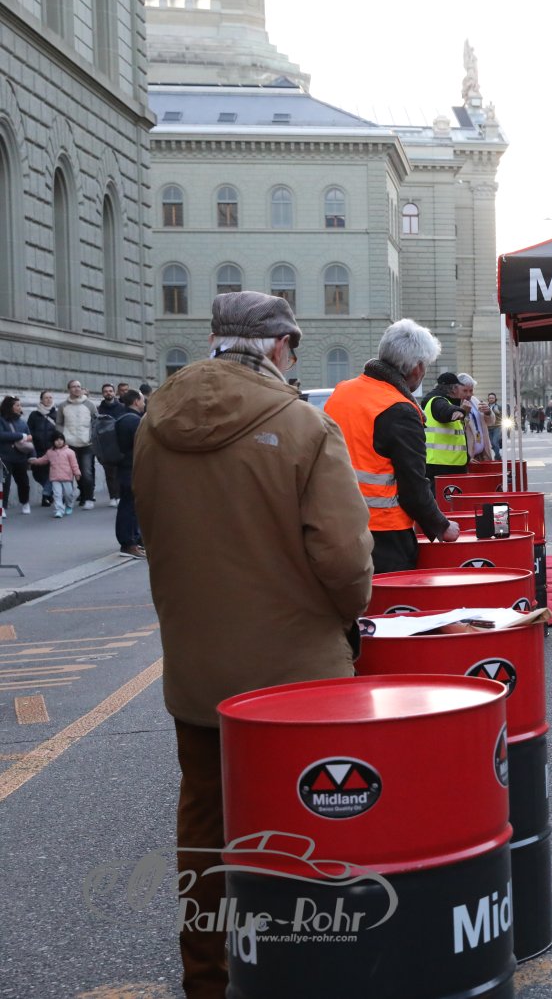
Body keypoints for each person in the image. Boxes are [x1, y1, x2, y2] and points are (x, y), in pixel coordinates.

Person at [135, 290, 373, 999]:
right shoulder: (304, 426)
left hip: (197, 669)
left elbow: (153, 530)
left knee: (205, 823)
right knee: (309, 824)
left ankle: (208, 977)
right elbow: (344, 560)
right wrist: (348, 616)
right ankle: (303, 970)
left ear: (214, 339)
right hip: (297, 675)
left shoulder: (153, 422)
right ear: (279, 346)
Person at [324, 319, 460, 575]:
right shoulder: (400, 410)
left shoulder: (342, 392)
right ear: (417, 368)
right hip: (384, 535)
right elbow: (413, 484)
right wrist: (441, 526)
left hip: (336, 524)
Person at [113, 390, 146, 556]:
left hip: (126, 468)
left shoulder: (123, 418)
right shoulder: (133, 421)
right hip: (131, 469)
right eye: (142, 400)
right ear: (136, 402)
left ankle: (134, 540)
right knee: (129, 507)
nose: (144, 403)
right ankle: (128, 543)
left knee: (130, 505)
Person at [423, 372, 471, 479]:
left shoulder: (443, 401)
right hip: (442, 466)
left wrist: (467, 457)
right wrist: (458, 411)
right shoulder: (437, 401)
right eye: (460, 388)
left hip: (448, 464)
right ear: (454, 389)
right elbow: (444, 410)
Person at [59, 379, 98, 509]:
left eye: (78, 386)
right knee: (71, 473)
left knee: (86, 472)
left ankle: (89, 498)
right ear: (69, 389)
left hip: (87, 444)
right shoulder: (63, 406)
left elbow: (96, 422)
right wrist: (62, 438)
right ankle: (72, 498)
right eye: (73, 387)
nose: (76, 389)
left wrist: (92, 437)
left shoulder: (90, 405)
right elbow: (59, 423)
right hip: (69, 445)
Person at [29, 433, 80, 517]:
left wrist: (77, 473)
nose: (59, 442)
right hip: (55, 478)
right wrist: (34, 461)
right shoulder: (50, 452)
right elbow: (43, 460)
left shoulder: (70, 452)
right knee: (57, 495)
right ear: (53, 442)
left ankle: (69, 506)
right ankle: (59, 510)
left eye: (61, 440)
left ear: (64, 441)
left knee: (68, 494)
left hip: (67, 478)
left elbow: (74, 464)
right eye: (56, 440)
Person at [0, 397, 36, 513]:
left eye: (20, 405)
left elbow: (29, 439)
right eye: (17, 405)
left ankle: (25, 503)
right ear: (9, 407)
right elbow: (2, 435)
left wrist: (32, 455)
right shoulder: (1, 420)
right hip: (4, 457)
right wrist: (21, 436)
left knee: (23, 482)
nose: (20, 407)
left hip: (20, 457)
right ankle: (2, 507)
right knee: (4, 483)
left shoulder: (22, 422)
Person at [27, 391, 60, 508]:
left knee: (52, 473)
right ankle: (49, 492)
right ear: (41, 400)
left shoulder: (57, 414)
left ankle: (46, 496)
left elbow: (61, 432)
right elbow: (28, 430)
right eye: (46, 398)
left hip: (53, 449)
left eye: (50, 397)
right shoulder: (34, 415)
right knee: (37, 474)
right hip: (38, 449)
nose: (49, 399)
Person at [97, 382, 126, 505]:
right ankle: (113, 496)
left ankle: (120, 495)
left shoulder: (122, 407)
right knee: (109, 472)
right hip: (106, 444)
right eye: (105, 391)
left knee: (120, 471)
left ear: (114, 393)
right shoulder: (99, 409)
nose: (108, 393)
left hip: (119, 443)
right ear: (102, 394)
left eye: (110, 391)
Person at [456, 373, 493, 463]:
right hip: (468, 458)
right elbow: (458, 428)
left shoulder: (475, 400)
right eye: (465, 391)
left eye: (471, 390)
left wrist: (488, 412)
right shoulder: (455, 404)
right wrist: (463, 413)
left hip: (482, 455)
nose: (469, 394)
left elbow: (490, 422)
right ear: (457, 389)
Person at [483, 392, 504, 459]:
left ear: (495, 399)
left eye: (492, 398)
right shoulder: (485, 407)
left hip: (497, 427)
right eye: (490, 398)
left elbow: (503, 416)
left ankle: (497, 456)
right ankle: (498, 455)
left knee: (495, 442)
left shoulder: (499, 407)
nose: (491, 399)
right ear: (488, 399)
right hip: (488, 428)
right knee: (491, 443)